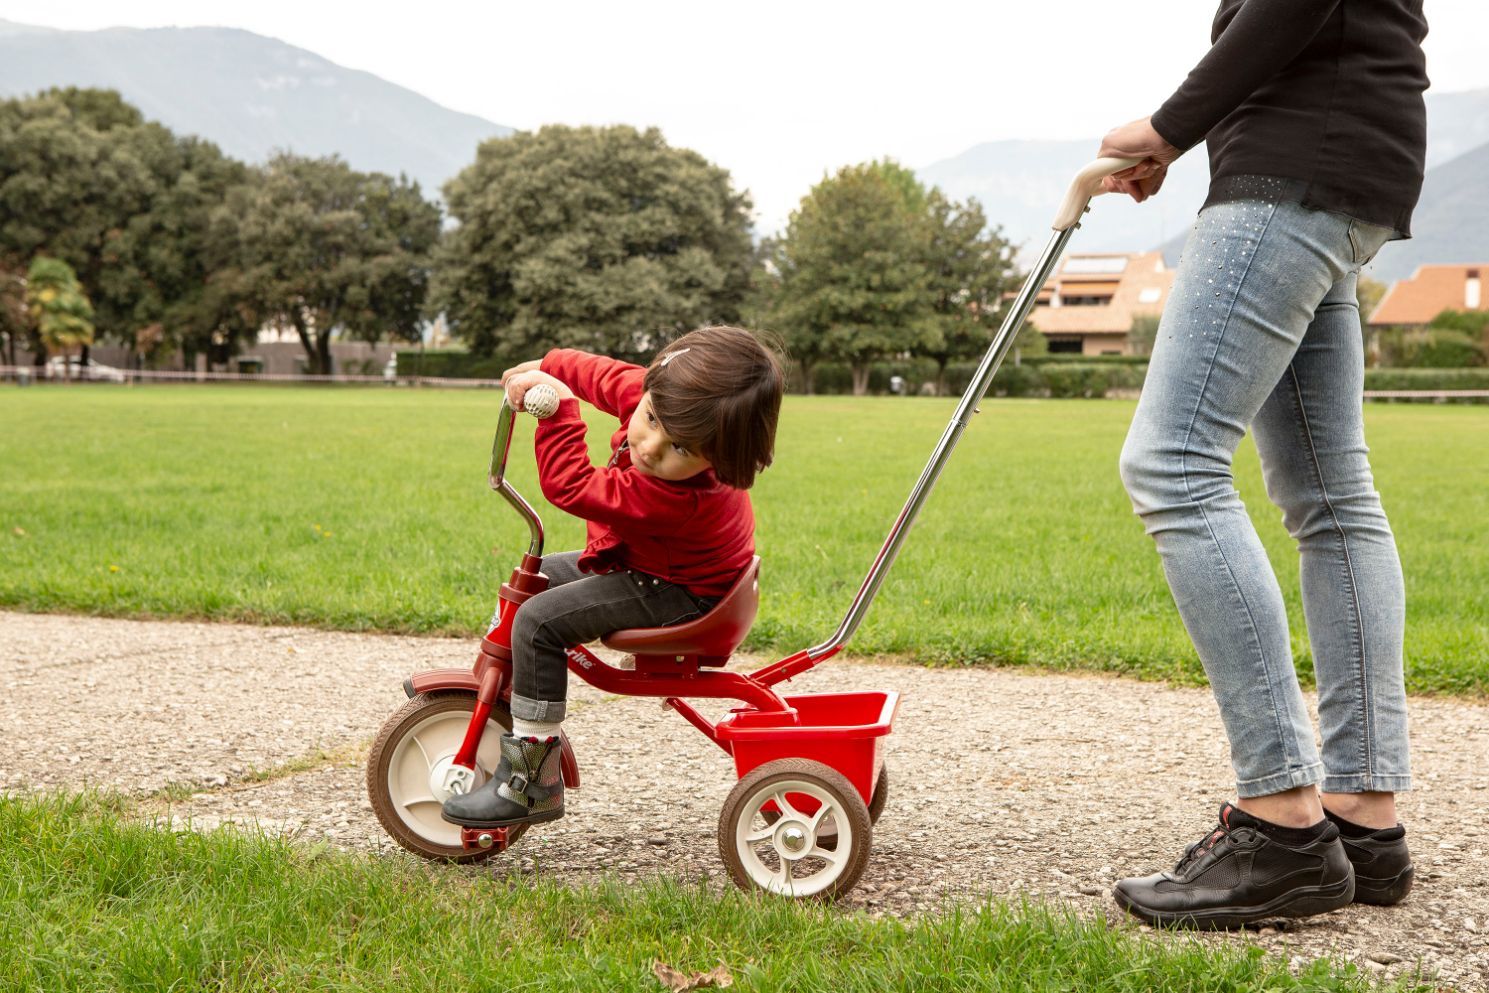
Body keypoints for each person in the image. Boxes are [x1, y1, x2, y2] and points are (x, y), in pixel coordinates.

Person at [1096, 0, 1427, 928]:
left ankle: (1279, 822)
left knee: (1172, 464)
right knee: (1332, 497)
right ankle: (1361, 815)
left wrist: (1167, 127)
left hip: (1289, 177)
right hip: (1354, 176)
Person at [442, 325, 785, 830]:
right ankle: (526, 692)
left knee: (538, 621)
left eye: (682, 450)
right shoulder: (670, 400)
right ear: (652, 391)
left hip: (683, 594)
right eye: (650, 418)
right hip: (660, 566)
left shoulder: (680, 497)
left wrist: (559, 410)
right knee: (536, 576)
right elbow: (601, 375)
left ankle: (533, 783)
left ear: (720, 454)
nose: (650, 446)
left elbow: (573, 485)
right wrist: (549, 366)